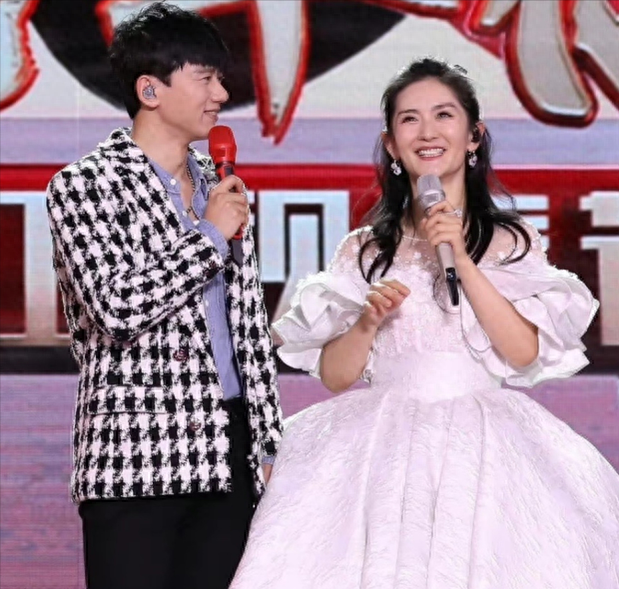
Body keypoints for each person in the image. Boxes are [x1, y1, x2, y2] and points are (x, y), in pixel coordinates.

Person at [230, 58, 619, 588]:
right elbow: (336, 377)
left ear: (474, 136)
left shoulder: (509, 240)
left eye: (444, 115)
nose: (428, 131)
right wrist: (367, 322)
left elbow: (523, 352)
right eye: (409, 119)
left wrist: (462, 258)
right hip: (378, 445)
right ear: (391, 145)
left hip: (485, 443)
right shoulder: (366, 248)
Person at [45, 3, 283, 589]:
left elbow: (248, 327)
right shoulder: (84, 186)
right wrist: (209, 237)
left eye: (220, 79)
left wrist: (269, 441)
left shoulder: (219, 185)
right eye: (205, 78)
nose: (221, 94)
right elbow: (116, 308)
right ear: (150, 90)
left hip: (228, 450)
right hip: (136, 458)